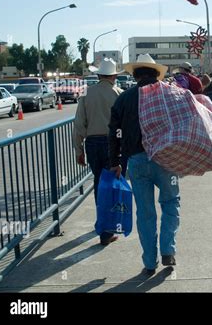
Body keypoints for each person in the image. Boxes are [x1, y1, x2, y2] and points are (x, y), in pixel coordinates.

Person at [108, 54, 180, 275]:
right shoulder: (170, 94)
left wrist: (116, 162)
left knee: (146, 212)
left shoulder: (124, 98)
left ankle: (150, 262)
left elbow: (114, 132)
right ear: (156, 74)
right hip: (165, 158)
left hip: (137, 160)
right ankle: (168, 251)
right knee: (170, 202)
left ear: (136, 75)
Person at [73, 58, 124, 246]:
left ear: (98, 75)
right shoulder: (119, 94)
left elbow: (79, 124)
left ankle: (102, 226)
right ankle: (107, 231)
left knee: (99, 184)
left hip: (92, 143)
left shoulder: (87, 93)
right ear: (114, 76)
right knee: (112, 186)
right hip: (113, 144)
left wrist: (78, 150)